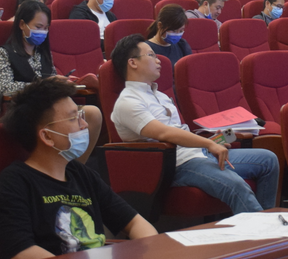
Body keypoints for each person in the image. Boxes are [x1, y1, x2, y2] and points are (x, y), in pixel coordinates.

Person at [0, 77, 152, 259]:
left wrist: (150, 253)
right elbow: (21, 253)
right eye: (73, 118)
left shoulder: (81, 174)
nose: (84, 125)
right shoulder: (15, 182)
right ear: (47, 136)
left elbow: (135, 223)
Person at [110, 35, 278, 214]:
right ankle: (265, 230)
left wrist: (214, 140)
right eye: (151, 55)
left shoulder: (161, 96)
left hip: (199, 153)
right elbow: (165, 133)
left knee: (269, 160)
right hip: (177, 164)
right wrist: (208, 144)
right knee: (236, 185)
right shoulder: (128, 102)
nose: (158, 61)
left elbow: (179, 130)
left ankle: (267, 218)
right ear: (133, 62)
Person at [0, 0, 57, 115]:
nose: (43, 32)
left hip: (48, 105)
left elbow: (52, 81)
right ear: (22, 25)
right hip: (21, 109)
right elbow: (4, 89)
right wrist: (42, 85)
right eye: (38, 27)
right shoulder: (4, 53)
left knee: (86, 111)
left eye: (46, 28)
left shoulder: (44, 53)